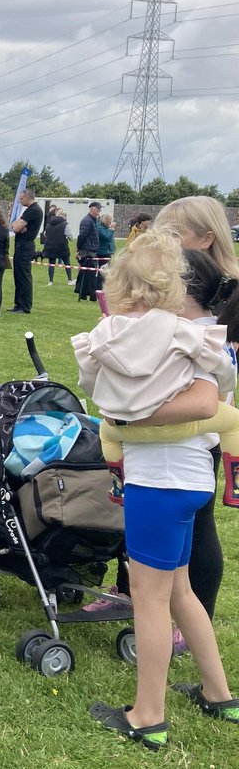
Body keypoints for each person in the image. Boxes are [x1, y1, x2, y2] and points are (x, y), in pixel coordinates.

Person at [73, 231, 239, 751]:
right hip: (193, 478)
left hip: (154, 481)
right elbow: (225, 379)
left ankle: (147, 715)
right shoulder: (190, 332)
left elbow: (91, 387)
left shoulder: (108, 334)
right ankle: (218, 693)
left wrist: (131, 410)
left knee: (148, 598)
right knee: (180, 589)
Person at [152, 196, 239, 631]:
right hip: (158, 426)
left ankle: (193, 616)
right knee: (142, 506)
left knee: (197, 519)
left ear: (206, 239)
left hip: (199, 426)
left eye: (174, 236)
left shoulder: (230, 295)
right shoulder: (169, 286)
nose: (164, 245)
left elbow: (223, 374)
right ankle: (133, 589)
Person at [9, 189, 42, 313]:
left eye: (22, 198)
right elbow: (14, 225)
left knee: (24, 275)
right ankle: (18, 304)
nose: (20, 200)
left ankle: (25, 305)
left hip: (25, 245)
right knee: (18, 274)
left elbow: (16, 228)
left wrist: (17, 226)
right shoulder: (29, 210)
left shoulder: (33, 210)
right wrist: (17, 225)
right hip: (21, 245)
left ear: (29, 197)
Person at [75, 201, 102, 300]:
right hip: (87, 250)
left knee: (90, 274)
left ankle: (88, 294)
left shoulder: (93, 220)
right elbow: (82, 235)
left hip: (91, 249)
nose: (99, 211)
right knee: (87, 274)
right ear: (92, 209)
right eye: (98, 209)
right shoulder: (87, 221)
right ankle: (85, 293)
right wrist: (79, 247)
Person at [42, 208, 73, 285]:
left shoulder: (49, 224)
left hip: (50, 247)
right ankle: (69, 280)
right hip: (62, 247)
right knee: (67, 263)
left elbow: (45, 234)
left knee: (51, 264)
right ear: (64, 217)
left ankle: (50, 281)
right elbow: (71, 237)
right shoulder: (65, 224)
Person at [94, 212, 116, 295]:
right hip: (102, 253)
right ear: (105, 220)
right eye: (109, 221)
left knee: (106, 273)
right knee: (101, 272)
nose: (111, 223)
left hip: (107, 252)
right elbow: (106, 237)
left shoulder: (106, 228)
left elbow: (110, 240)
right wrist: (112, 229)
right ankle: (98, 289)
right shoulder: (100, 228)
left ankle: (104, 288)